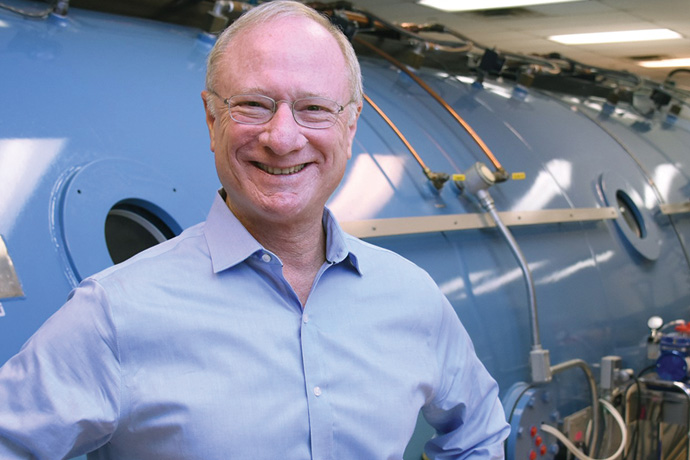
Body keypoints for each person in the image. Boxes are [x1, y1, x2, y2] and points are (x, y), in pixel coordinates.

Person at [0, 1, 509, 458]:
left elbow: (480, 434)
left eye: (313, 108)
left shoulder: (411, 297)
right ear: (211, 118)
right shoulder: (115, 314)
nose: (283, 138)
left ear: (350, 126)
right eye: (253, 104)